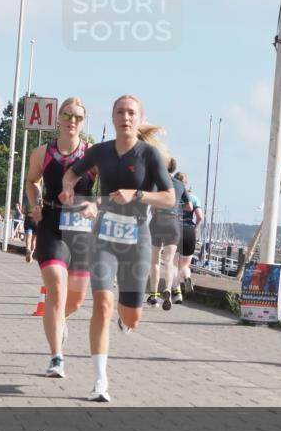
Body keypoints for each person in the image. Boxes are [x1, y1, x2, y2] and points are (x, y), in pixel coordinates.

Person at [61, 94, 175, 402]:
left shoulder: (148, 155)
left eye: (131, 113)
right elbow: (72, 172)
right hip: (105, 237)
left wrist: (137, 195)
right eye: (120, 112)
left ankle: (126, 319)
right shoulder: (100, 151)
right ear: (112, 118)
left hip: (137, 239)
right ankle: (100, 381)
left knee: (132, 317)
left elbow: (169, 198)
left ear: (139, 119)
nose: (125, 117)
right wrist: (69, 188)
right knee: (101, 304)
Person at [25, 97, 96, 378]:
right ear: (59, 119)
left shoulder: (93, 155)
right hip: (52, 223)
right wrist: (35, 204)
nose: (72, 121)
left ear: (83, 121)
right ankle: (57, 357)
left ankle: (58, 321)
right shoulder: (43, 152)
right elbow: (31, 182)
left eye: (78, 117)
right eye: (67, 115)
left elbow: (111, 189)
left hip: (80, 229)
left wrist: (95, 206)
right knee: (56, 288)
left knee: (76, 300)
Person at [146, 157, 189, 310]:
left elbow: (149, 200)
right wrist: (177, 207)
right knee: (169, 261)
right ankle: (168, 291)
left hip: (158, 221)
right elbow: (189, 206)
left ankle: (153, 296)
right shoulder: (179, 184)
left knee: (155, 261)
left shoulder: (157, 182)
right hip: (173, 222)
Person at [172, 172, 203, 301]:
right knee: (185, 265)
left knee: (173, 265)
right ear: (186, 183)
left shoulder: (172, 196)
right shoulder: (194, 198)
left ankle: (177, 292)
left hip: (174, 230)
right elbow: (200, 217)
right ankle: (187, 278)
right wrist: (195, 229)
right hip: (189, 231)